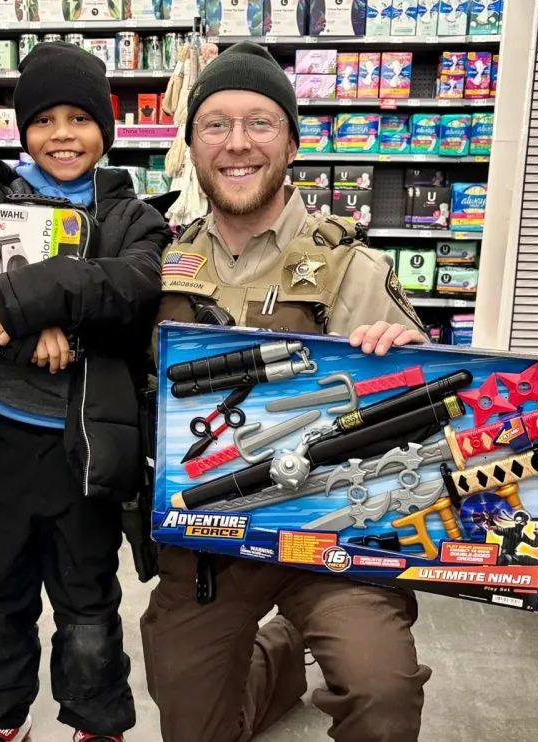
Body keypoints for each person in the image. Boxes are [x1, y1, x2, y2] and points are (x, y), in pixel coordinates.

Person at [141, 42, 431, 742]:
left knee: (382, 696)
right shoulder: (157, 264)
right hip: (209, 543)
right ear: (191, 146)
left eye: (260, 123)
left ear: (293, 142)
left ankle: (297, 635)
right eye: (215, 124)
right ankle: (277, 654)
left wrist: (408, 364)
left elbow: (421, 418)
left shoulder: (350, 265)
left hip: (332, 541)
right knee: (196, 729)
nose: (237, 144)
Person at [0, 42, 171, 742]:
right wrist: (22, 335)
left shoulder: (130, 217)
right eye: (44, 118)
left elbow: (130, 291)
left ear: (104, 131)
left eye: (79, 119)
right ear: (21, 128)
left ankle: (97, 721)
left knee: (87, 603)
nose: (61, 134)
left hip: (86, 453)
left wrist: (29, 302)